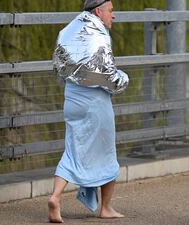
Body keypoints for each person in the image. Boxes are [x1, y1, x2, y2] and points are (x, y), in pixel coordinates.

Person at [48, 0, 128, 223]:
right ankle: (106, 207)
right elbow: (106, 76)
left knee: (73, 149)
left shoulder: (70, 28)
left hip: (72, 97)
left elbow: (60, 65)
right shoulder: (98, 34)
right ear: (98, 11)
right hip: (95, 102)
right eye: (111, 11)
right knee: (106, 151)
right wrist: (123, 79)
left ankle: (55, 197)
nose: (113, 15)